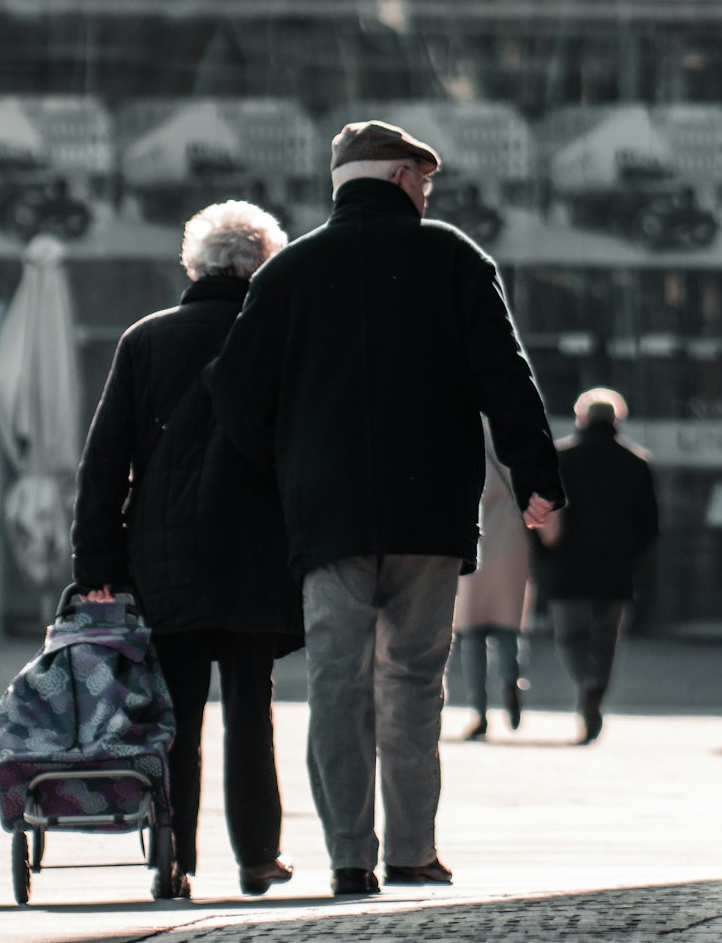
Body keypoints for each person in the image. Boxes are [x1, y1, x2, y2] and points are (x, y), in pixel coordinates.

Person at [206, 118, 565, 898]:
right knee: (412, 679)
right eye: (425, 181)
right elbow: (506, 374)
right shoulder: (453, 257)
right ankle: (412, 851)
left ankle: (346, 856)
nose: (428, 194)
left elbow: (234, 393)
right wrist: (536, 474)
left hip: (326, 517)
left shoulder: (290, 271)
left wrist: (286, 468)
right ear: (403, 178)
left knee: (337, 681)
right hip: (429, 518)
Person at [70, 201, 303, 900]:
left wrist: (96, 565)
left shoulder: (147, 340)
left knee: (175, 718)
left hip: (163, 556)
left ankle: (173, 859)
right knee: (250, 713)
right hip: (258, 554)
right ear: (264, 265)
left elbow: (104, 461)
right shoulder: (281, 340)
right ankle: (259, 855)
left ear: (194, 263)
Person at [532, 387, 659, 744]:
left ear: (581, 418)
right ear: (617, 419)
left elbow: (542, 513)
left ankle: (586, 681)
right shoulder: (637, 463)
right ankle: (595, 695)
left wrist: (546, 556)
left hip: (568, 567)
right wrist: (630, 554)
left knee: (569, 638)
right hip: (616, 570)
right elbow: (650, 525)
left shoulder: (560, 458)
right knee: (606, 642)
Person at [453, 420, 531, 740]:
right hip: (514, 552)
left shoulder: (469, 448)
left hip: (478, 549)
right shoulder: (522, 450)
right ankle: (511, 678)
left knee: (472, 637)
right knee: (508, 630)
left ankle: (479, 711)